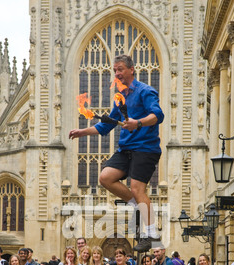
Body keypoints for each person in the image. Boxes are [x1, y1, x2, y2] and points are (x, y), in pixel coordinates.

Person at [69, 54, 164, 253]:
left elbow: (158, 115)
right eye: (115, 70)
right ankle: (138, 206)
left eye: (120, 69)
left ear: (131, 69)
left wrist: (137, 123)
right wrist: (82, 132)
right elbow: (106, 125)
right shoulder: (120, 98)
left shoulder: (146, 91)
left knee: (138, 189)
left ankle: (152, 233)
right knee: (105, 178)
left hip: (145, 148)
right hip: (126, 149)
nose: (117, 73)